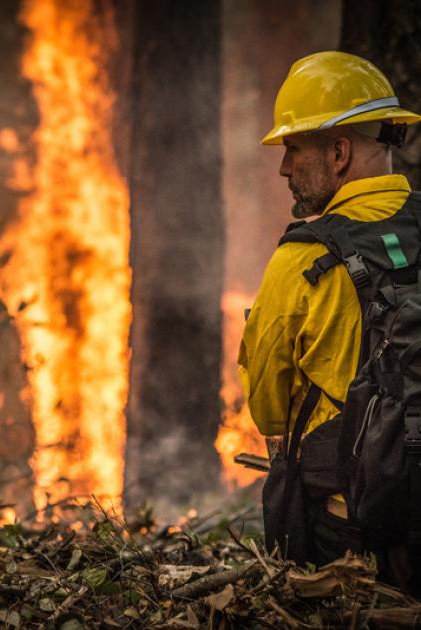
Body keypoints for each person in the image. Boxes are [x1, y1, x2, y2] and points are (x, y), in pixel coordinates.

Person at [238, 51, 421, 567]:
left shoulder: (304, 259)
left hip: (348, 534)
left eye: (294, 148)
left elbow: (269, 409)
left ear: (339, 152)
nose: (283, 167)